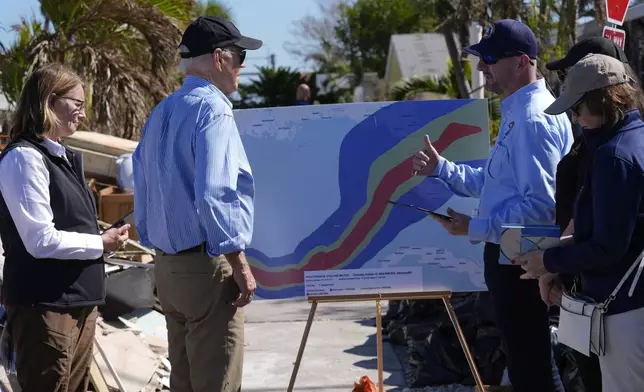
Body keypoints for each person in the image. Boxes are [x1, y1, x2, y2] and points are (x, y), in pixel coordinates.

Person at [411, 19, 572, 392]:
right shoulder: (522, 111)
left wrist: (476, 227)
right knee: (527, 364)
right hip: (514, 258)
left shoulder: (533, 119)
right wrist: (442, 169)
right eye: (481, 59)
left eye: (490, 59)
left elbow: (539, 208)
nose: (482, 67)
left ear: (521, 62)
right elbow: (498, 182)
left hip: (519, 262)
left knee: (533, 367)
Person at [132, 16, 261, 392]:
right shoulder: (213, 109)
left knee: (184, 382)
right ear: (219, 58)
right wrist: (240, 265)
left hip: (167, 267)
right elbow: (215, 193)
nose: (242, 66)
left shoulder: (161, 111)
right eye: (239, 56)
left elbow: (143, 186)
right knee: (216, 382)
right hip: (205, 268)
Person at [516, 53, 644, 392]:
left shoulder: (613, 156)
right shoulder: (636, 141)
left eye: (577, 108)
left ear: (602, 102)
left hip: (625, 313)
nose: (575, 118)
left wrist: (547, 260)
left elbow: (607, 247)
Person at [0, 63, 129, 392]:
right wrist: (100, 242)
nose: (83, 114)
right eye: (77, 103)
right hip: (47, 308)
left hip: (75, 305)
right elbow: (40, 240)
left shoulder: (59, 157)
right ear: (49, 101)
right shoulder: (24, 158)